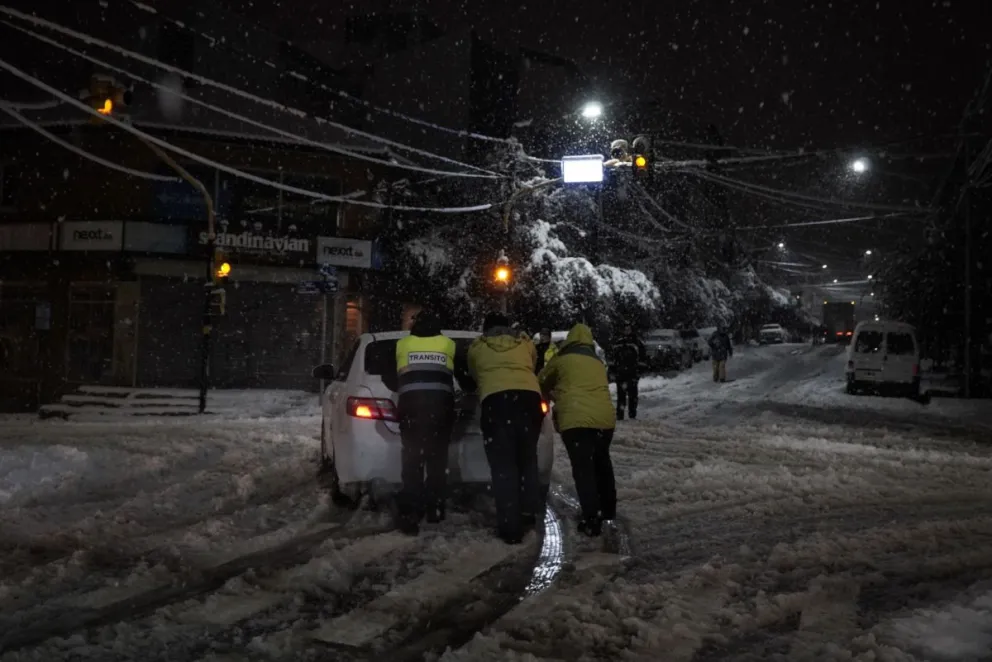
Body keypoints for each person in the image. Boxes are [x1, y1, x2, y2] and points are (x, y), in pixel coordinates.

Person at [467, 312, 545, 544]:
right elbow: (532, 362)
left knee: (504, 466)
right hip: (530, 400)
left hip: (497, 401)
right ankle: (528, 513)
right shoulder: (524, 342)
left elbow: (474, 373)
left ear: (485, 329)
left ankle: (511, 529)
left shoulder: (477, 347)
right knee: (527, 458)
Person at [539, 323, 617, 537]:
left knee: (584, 470)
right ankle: (609, 510)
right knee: (602, 463)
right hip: (605, 420)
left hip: (577, 421)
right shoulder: (597, 362)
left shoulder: (562, 360)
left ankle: (591, 519)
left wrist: (551, 393)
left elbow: (542, 381)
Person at [392, 311, 457, 535]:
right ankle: (435, 509)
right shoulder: (448, 344)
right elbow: (459, 374)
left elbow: (390, 377)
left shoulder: (403, 345)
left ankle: (412, 511)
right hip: (441, 411)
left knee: (412, 462)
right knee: (437, 462)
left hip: (412, 411)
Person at [612, 323, 646, 420]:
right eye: (625, 329)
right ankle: (620, 414)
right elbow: (614, 358)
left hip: (632, 373)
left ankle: (632, 414)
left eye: (628, 329)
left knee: (633, 395)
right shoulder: (618, 342)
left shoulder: (636, 342)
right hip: (621, 373)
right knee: (621, 396)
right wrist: (614, 371)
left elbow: (642, 358)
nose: (626, 331)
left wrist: (639, 371)